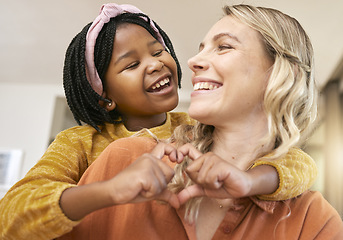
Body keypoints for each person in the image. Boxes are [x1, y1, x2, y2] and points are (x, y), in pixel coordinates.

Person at [0, 3, 320, 240]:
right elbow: (11, 214)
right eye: (131, 64)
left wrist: (252, 179)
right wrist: (109, 190)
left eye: (158, 51)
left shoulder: (195, 130)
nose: (155, 65)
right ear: (105, 97)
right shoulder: (80, 142)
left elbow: (299, 164)